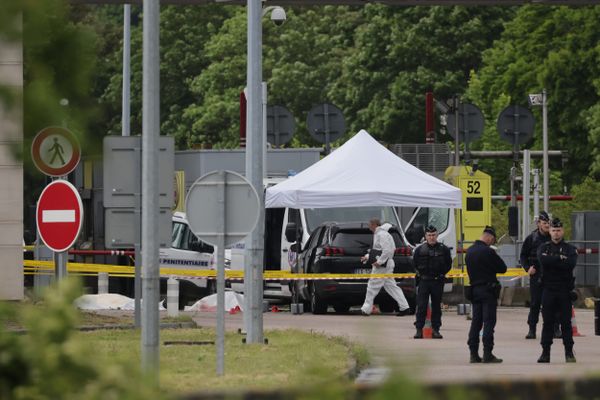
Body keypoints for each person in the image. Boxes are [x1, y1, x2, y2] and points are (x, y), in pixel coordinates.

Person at [536, 218, 578, 363]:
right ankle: (545, 353)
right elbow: (543, 261)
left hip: (564, 290)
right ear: (550, 231)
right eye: (553, 230)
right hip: (548, 289)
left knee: (566, 322)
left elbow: (570, 264)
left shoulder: (570, 249)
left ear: (563, 231)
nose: (556, 233)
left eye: (558, 230)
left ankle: (569, 353)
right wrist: (559, 259)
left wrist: (553, 260)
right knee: (547, 322)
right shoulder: (544, 247)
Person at [466, 226, 507, 363]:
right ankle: (487, 353)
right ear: (489, 237)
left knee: (476, 322)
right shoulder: (488, 252)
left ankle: (473, 354)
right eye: (493, 240)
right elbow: (503, 268)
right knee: (489, 322)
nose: (492, 243)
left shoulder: (469, 251)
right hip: (488, 291)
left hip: (474, 291)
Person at [360, 218, 410, 316]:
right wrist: (367, 257)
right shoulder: (382, 234)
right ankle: (404, 307)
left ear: (374, 224)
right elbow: (378, 250)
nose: (369, 227)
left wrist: (379, 262)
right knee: (391, 287)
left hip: (383, 266)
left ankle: (366, 309)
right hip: (386, 263)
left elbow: (386, 250)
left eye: (369, 225)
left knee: (372, 286)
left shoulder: (381, 235)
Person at [412, 225, 452, 339]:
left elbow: (448, 264)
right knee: (421, 306)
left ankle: (436, 330)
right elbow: (414, 264)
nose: (431, 237)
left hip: (437, 281)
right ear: (425, 236)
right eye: (429, 235)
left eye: (433, 235)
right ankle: (419, 330)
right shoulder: (419, 250)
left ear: (437, 235)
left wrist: (441, 274)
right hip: (424, 281)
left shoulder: (443, 249)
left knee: (436, 307)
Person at [520, 211, 555, 339]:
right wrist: (527, 268)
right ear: (539, 223)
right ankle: (532, 329)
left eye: (548, 223)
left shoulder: (554, 236)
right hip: (536, 274)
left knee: (552, 302)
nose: (547, 225)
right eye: (544, 223)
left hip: (551, 274)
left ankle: (555, 329)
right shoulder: (532, 238)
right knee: (535, 302)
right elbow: (523, 256)